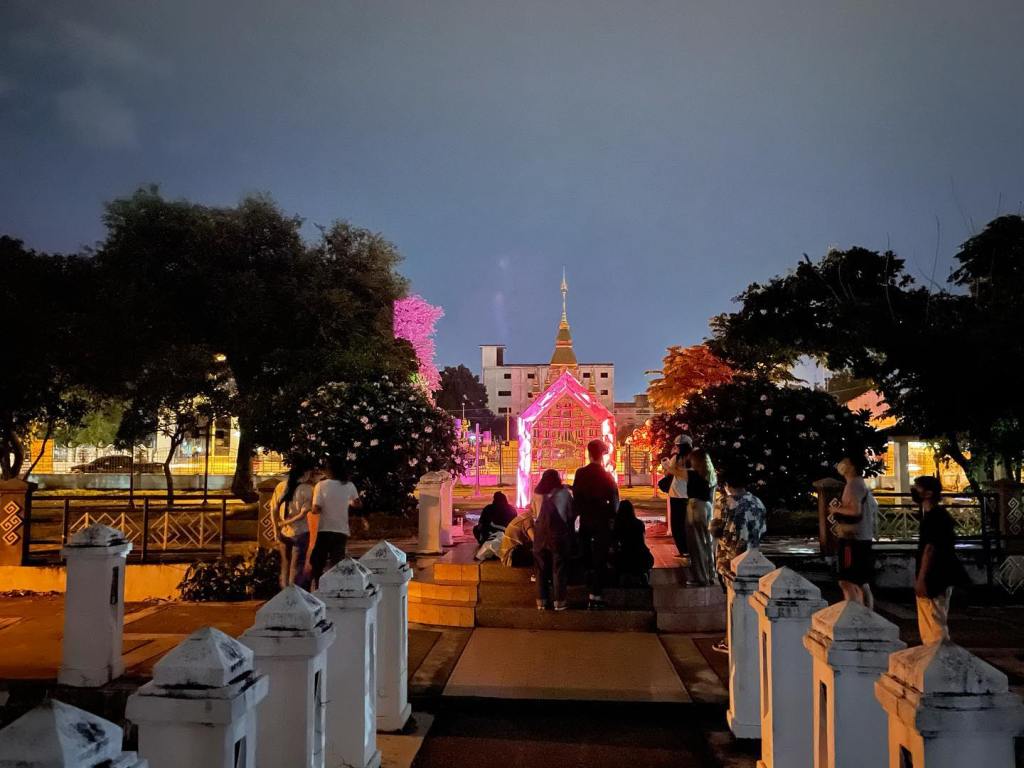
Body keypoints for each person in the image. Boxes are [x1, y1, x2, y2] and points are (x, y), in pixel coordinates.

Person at [710, 467, 767, 653]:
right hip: (754, 557)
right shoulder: (757, 502)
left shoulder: (725, 502)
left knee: (732, 599)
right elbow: (763, 529)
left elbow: (715, 529)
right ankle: (752, 637)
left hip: (730, 558)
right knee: (751, 598)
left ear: (727, 484)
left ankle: (730, 639)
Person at [912, 475, 969, 644]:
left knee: (934, 619)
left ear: (928, 493)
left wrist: (921, 578)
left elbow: (930, 549)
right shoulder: (936, 515)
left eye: (917, 487)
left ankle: (938, 652)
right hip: (940, 573)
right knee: (934, 617)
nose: (914, 490)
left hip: (936, 575)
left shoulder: (934, 517)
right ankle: (933, 650)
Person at [573, 439, 619, 610]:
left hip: (586, 518)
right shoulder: (606, 475)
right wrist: (612, 517)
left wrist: (578, 513)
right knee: (600, 557)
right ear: (602, 456)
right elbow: (614, 499)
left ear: (589, 454)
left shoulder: (580, 473)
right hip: (601, 519)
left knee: (585, 553)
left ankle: (586, 583)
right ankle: (596, 594)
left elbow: (576, 495)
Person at [307, 455, 362, 589]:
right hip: (341, 530)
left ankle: (318, 586)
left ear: (328, 470)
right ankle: (336, 588)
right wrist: (346, 502)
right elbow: (358, 504)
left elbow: (316, 509)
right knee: (337, 563)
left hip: (324, 529)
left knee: (318, 562)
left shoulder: (320, 485)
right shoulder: (349, 485)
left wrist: (310, 508)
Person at [833, 452, 877, 610]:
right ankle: (865, 611)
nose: (841, 464)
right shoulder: (859, 484)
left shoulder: (853, 485)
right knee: (860, 580)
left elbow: (855, 511)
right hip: (862, 538)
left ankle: (854, 611)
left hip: (852, 540)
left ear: (851, 466)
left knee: (847, 580)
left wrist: (836, 509)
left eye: (845, 461)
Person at [270, 456, 316, 589]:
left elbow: (273, 509)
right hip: (300, 532)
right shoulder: (307, 489)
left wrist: (276, 529)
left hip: (283, 533)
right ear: (305, 472)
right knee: (297, 566)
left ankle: (284, 592)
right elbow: (302, 515)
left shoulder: (281, 486)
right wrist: (285, 523)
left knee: (285, 564)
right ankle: (294, 593)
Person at [533, 469, 574, 611]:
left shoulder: (537, 493)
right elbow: (570, 514)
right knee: (558, 569)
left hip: (540, 535)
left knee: (540, 569)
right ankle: (559, 602)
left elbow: (534, 514)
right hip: (558, 534)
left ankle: (541, 602)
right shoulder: (564, 493)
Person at [684, 448, 717, 586]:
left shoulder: (692, 474)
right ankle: (710, 575)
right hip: (707, 507)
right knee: (707, 542)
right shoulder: (711, 475)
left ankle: (700, 577)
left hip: (695, 506)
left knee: (696, 543)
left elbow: (673, 470)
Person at [661, 434, 693, 560]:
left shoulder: (680, 458)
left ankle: (684, 550)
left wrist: (668, 467)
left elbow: (674, 472)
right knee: (684, 524)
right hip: (685, 494)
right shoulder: (691, 458)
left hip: (679, 495)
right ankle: (686, 549)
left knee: (678, 524)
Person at [613, 500, 654, 585]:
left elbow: (615, 543)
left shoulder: (618, 525)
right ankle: (644, 578)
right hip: (642, 557)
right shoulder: (639, 523)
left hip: (625, 557)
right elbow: (642, 541)